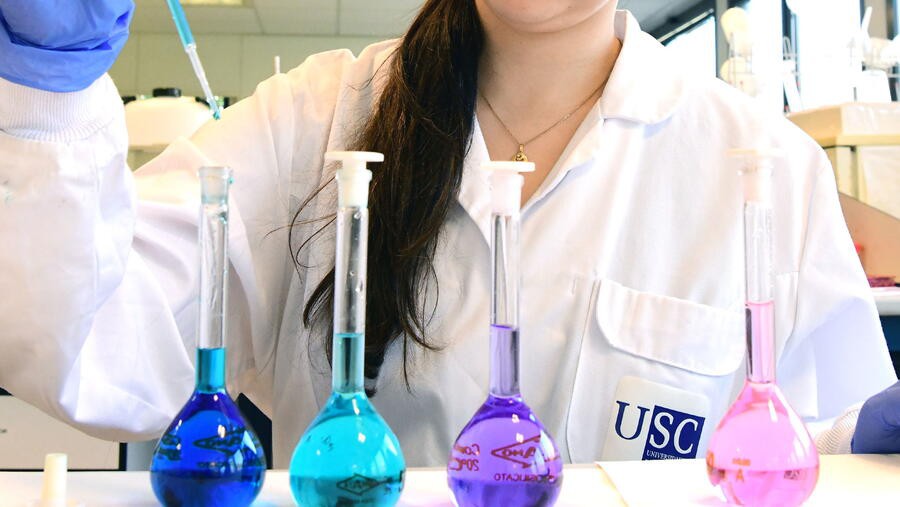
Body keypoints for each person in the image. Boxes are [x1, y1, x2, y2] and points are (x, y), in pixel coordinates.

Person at [0, 0, 897, 468]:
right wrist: (48, 90)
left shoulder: (767, 172)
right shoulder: (311, 123)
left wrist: (848, 450)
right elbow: (88, 339)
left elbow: (803, 455)